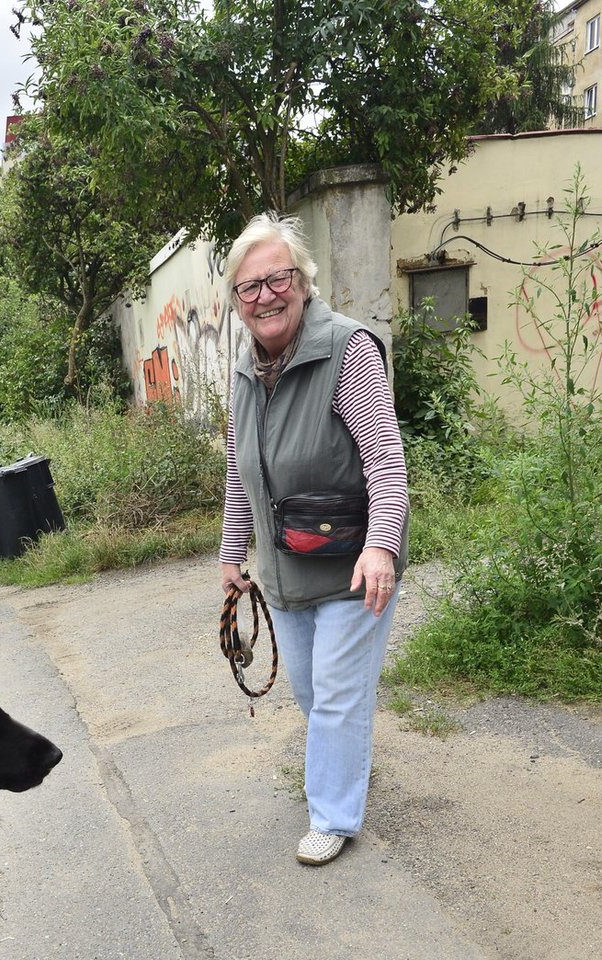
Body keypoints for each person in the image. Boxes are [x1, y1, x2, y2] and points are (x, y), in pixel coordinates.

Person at [219, 213, 409, 867]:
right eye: (250, 286)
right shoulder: (246, 371)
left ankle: (332, 815)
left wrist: (382, 546)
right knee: (309, 689)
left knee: (334, 694)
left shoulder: (347, 350)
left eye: (278, 278)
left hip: (355, 562)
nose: (265, 295)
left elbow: (385, 460)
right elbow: (240, 473)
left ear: (303, 282)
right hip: (287, 566)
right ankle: (345, 759)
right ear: (236, 301)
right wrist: (230, 554)